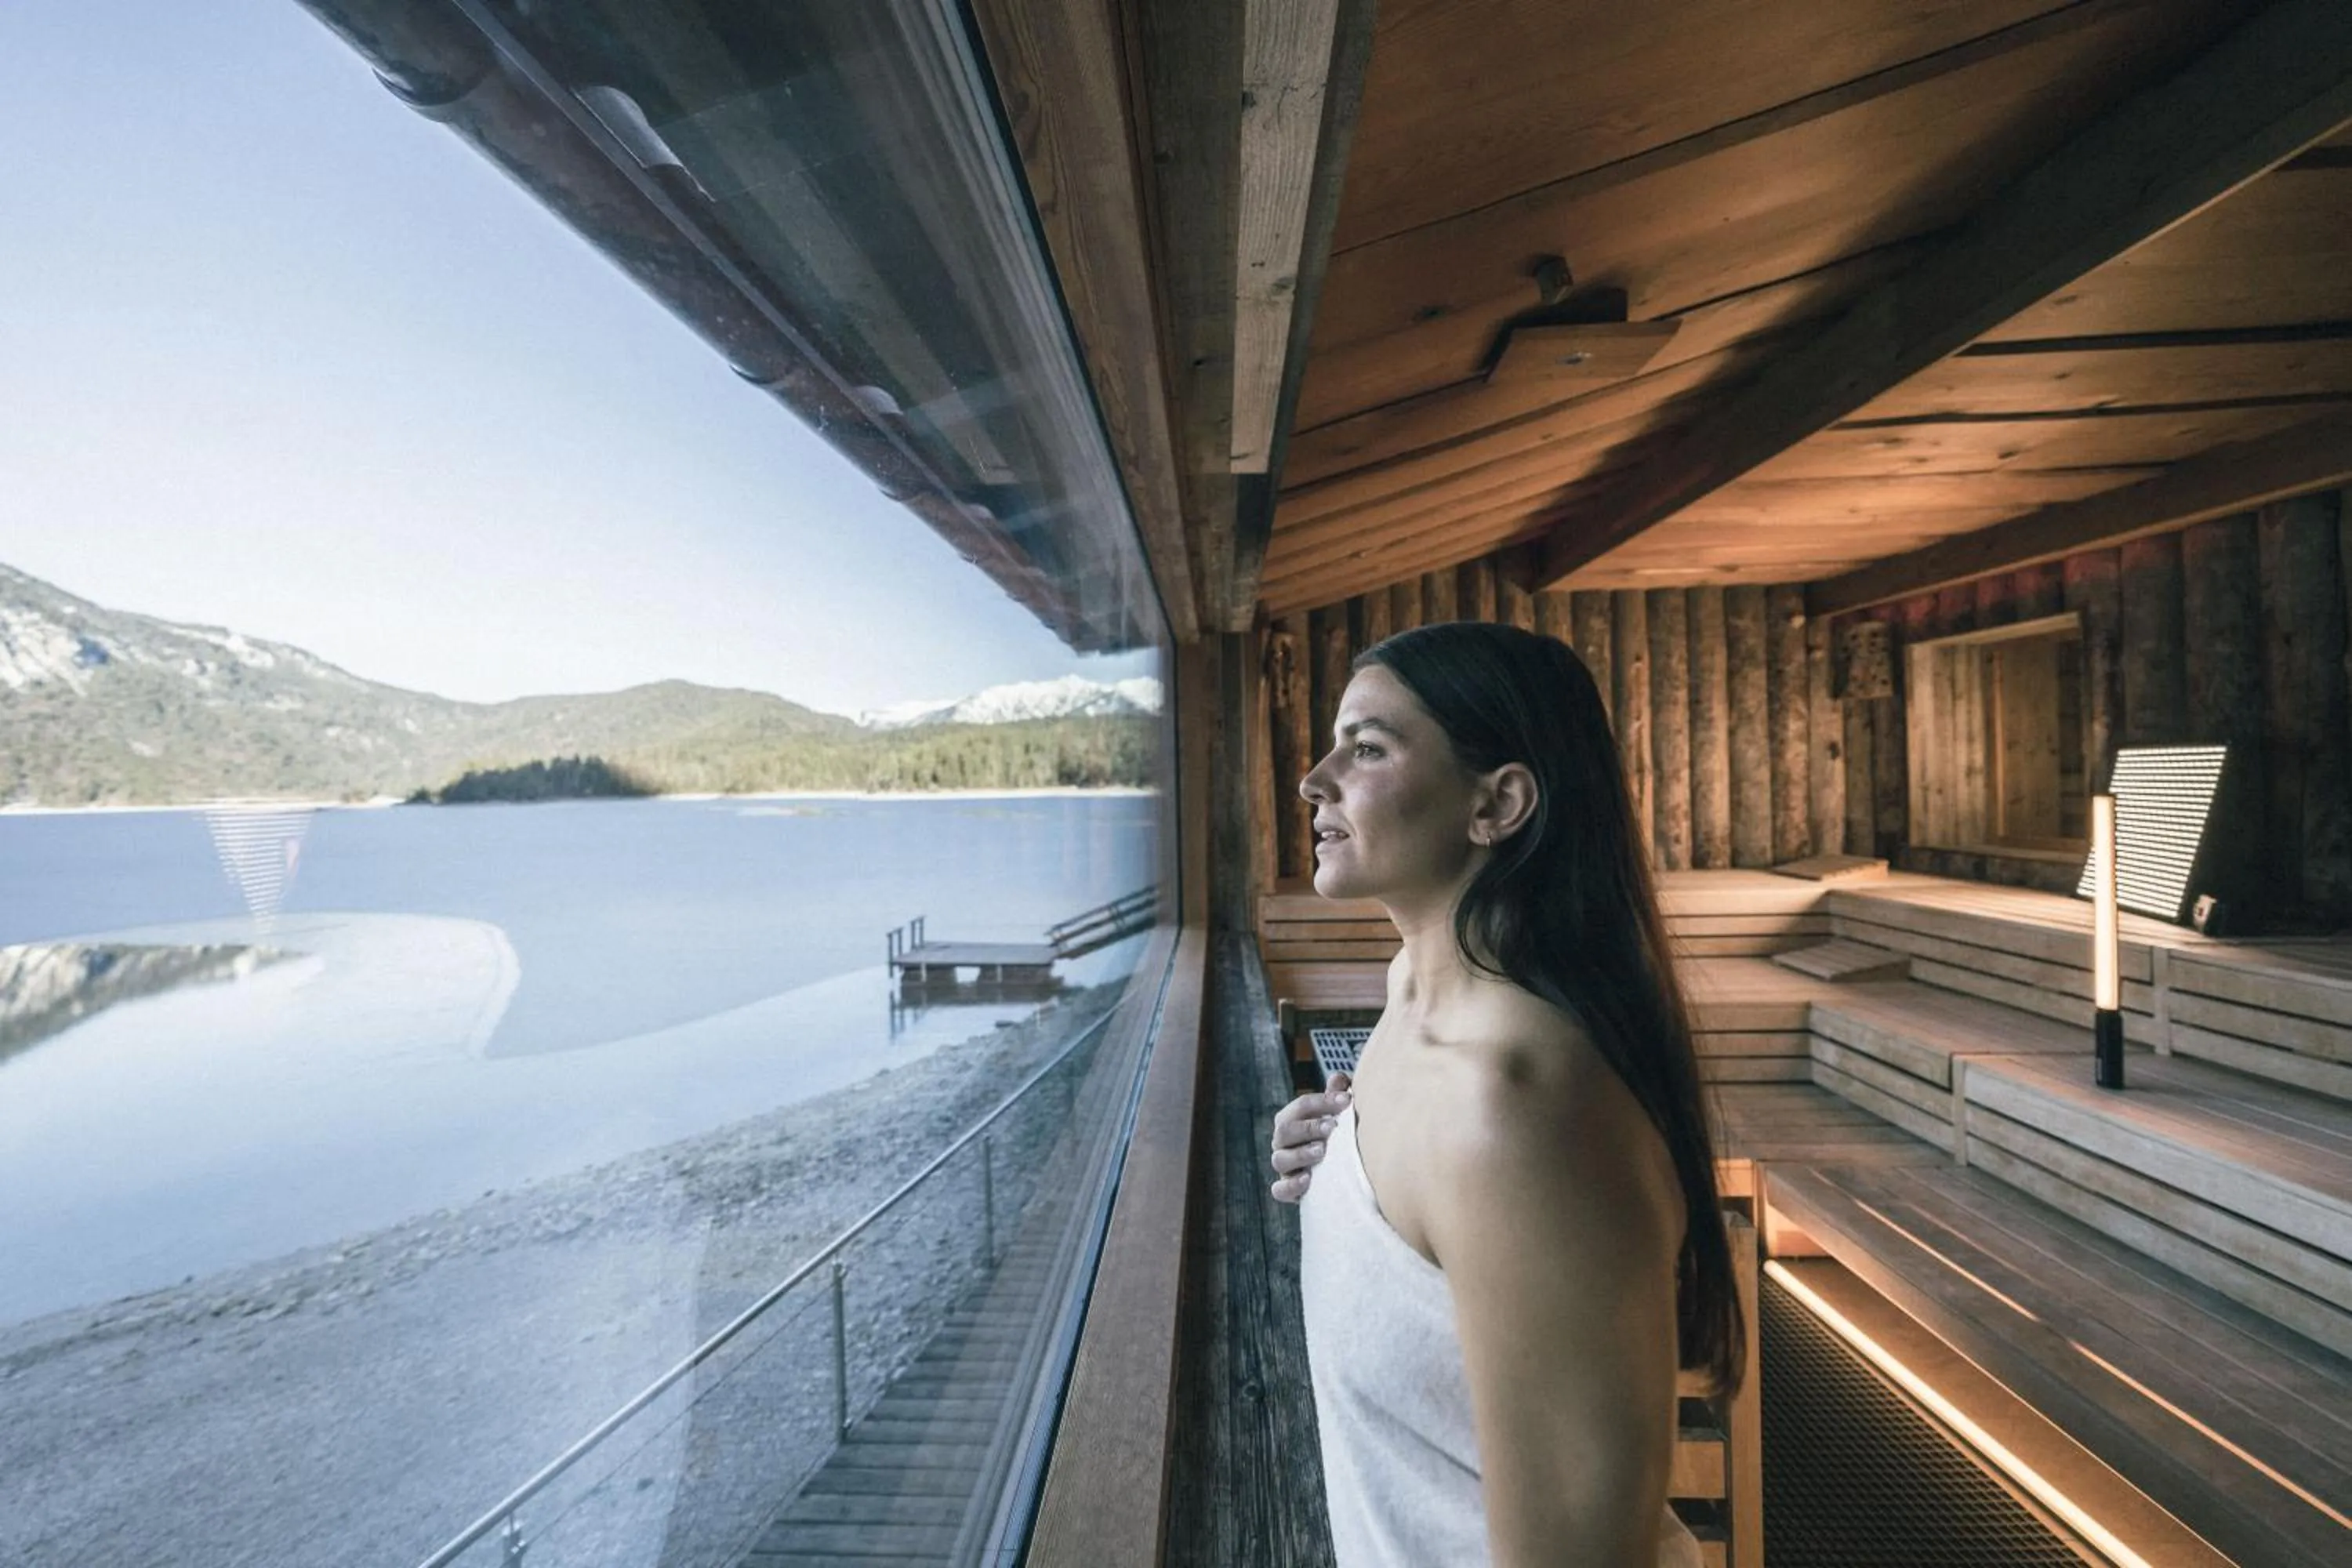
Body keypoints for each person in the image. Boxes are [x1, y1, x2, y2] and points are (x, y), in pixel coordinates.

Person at [1268, 621, 1737, 1567]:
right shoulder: (1412, 989)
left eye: (1367, 748)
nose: (1315, 779)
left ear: (1499, 803)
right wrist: (1344, 1164)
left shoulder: (1518, 1108)